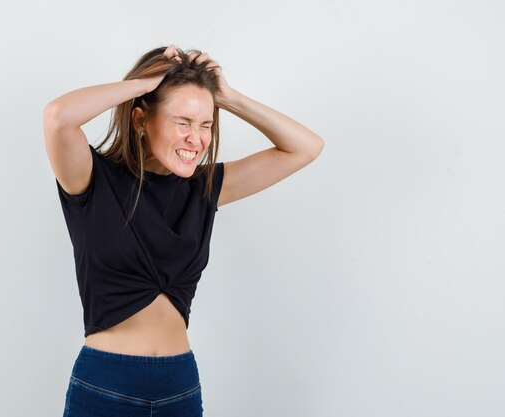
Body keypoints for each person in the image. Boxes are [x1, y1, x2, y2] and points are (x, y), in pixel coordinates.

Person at [43, 45, 324, 416]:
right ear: (141, 120)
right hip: (106, 385)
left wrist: (229, 97)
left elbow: (305, 148)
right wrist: (145, 82)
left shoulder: (205, 188)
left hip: (180, 386)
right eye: (183, 122)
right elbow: (58, 116)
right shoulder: (92, 178)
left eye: (205, 124)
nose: (197, 139)